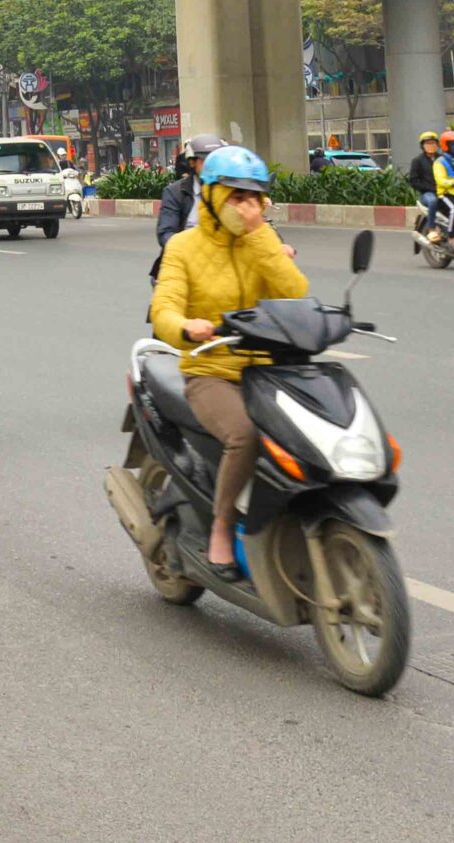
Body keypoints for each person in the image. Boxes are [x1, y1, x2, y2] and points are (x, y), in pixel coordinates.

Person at [148, 145, 309, 583]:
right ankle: (222, 525)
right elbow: (163, 308)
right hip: (211, 370)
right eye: (236, 197)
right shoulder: (183, 246)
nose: (246, 206)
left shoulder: (264, 240)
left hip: (270, 370)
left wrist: (263, 241)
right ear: (214, 197)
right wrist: (187, 328)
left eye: (254, 198)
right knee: (244, 434)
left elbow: (295, 294)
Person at [156, 135, 223, 280]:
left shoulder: (232, 191)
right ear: (192, 162)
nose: (213, 166)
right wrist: (189, 253)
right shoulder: (175, 192)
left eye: (217, 161)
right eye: (207, 161)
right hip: (184, 264)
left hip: (222, 263)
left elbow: (255, 225)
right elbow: (166, 233)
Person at [405, 130, 442, 225]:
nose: (431, 145)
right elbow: (414, 181)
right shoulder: (417, 161)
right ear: (422, 146)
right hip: (427, 194)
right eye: (427, 143)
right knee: (433, 201)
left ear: (437, 144)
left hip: (444, 191)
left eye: (433, 143)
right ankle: (431, 228)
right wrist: (431, 188)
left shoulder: (443, 159)